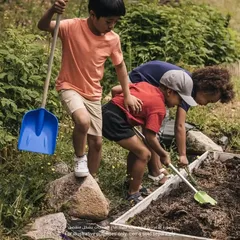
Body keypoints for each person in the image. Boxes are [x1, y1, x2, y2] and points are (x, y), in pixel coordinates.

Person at [37, 0, 142, 178]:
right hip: (69, 86)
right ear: (93, 15)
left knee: (97, 143)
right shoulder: (71, 26)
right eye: (109, 21)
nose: (112, 26)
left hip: (93, 93)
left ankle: (90, 182)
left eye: (115, 21)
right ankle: (79, 158)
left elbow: (120, 67)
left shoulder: (112, 39)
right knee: (83, 121)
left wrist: (128, 94)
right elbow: (43, 26)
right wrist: (52, 10)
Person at [111, 60, 235, 185]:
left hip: (154, 86)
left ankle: (155, 169)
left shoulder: (187, 86)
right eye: (208, 101)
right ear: (204, 89)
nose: (205, 104)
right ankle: (155, 172)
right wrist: (182, 155)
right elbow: (179, 125)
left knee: (153, 128)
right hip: (140, 80)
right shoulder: (187, 89)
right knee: (153, 131)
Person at [102, 70, 197, 204]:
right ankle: (133, 193)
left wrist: (123, 109)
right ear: (169, 92)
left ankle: (130, 182)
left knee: (137, 149)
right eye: (180, 99)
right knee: (144, 154)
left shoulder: (146, 85)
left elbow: (116, 89)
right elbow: (150, 137)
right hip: (114, 121)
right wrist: (163, 154)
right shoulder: (159, 108)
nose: (179, 104)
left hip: (107, 111)